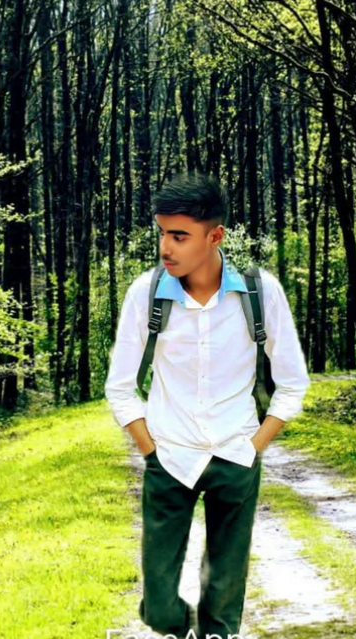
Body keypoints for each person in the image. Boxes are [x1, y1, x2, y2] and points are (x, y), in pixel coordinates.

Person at [104, 172, 311, 639]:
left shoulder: (260, 292)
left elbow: (293, 383)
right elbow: (120, 386)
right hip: (169, 458)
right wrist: (150, 450)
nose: (165, 247)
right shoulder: (146, 294)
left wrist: (253, 446)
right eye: (162, 233)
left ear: (214, 236)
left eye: (179, 236)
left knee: (223, 601)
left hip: (235, 456)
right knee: (159, 606)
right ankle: (179, 627)